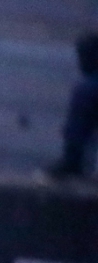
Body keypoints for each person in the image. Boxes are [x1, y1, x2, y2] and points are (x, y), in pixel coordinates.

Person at [45, 31, 98, 179]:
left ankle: (72, 163)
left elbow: (77, 129)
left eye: (85, 57)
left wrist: (72, 159)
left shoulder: (89, 88)